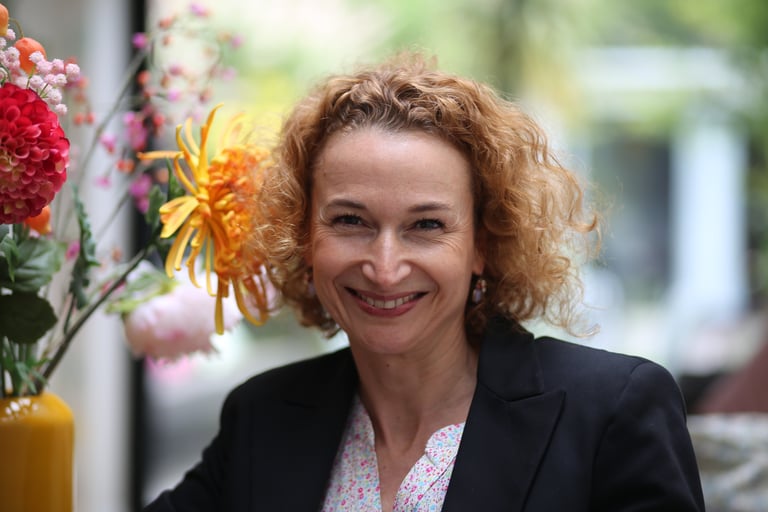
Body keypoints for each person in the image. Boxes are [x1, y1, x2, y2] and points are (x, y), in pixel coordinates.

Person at [144, 53, 705, 511]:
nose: (385, 266)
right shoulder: (262, 417)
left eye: (427, 225)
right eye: (351, 221)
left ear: (483, 243)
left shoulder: (612, 411)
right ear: (303, 236)